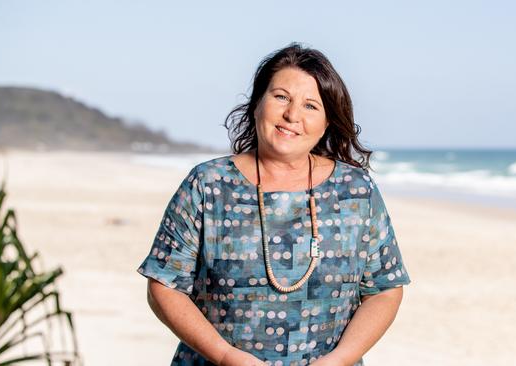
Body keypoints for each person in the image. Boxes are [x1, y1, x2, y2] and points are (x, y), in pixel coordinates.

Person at [137, 43, 411, 366]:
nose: (292, 115)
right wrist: (224, 356)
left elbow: (384, 289)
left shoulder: (356, 191)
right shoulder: (207, 185)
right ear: (257, 103)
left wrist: (339, 360)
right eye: (281, 97)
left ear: (326, 123)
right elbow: (163, 286)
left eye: (311, 105)